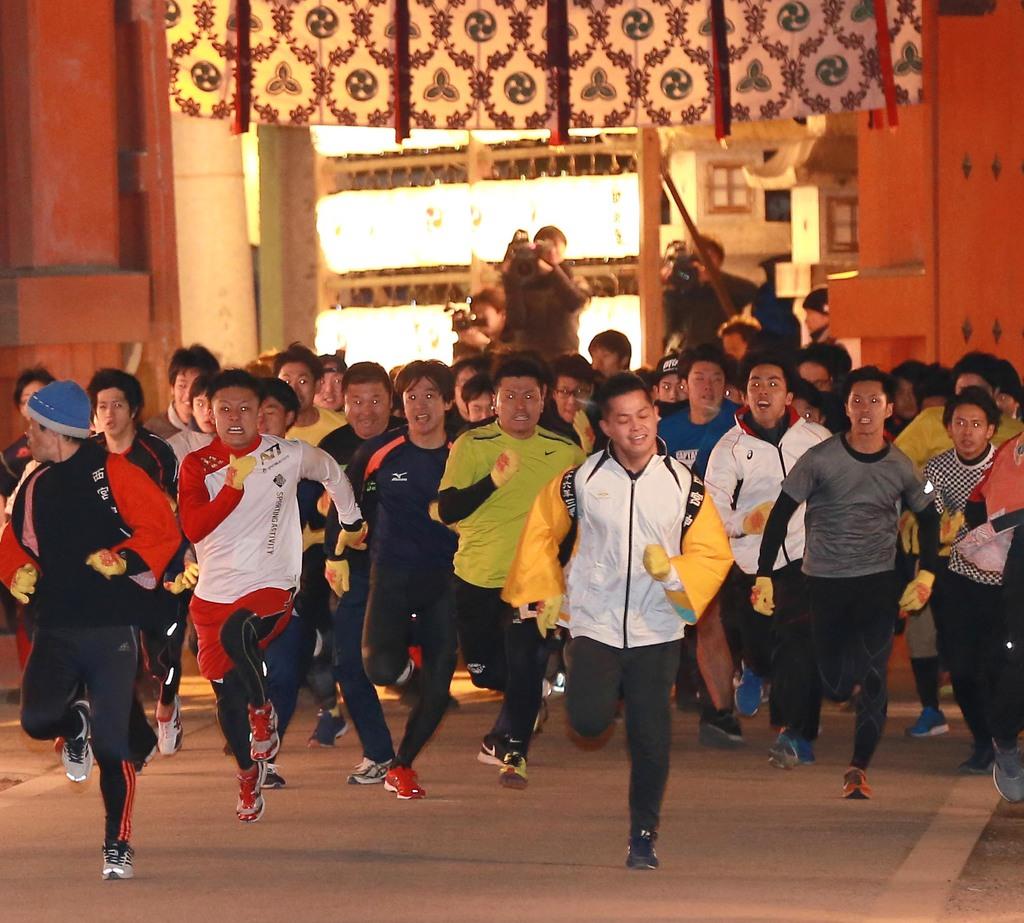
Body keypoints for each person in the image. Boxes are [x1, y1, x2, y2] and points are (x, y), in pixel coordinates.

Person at [504, 372, 732, 868]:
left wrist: (673, 572)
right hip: (595, 622)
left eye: (644, 416)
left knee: (650, 735)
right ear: (606, 426)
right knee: (588, 723)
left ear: (655, 414)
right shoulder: (580, 481)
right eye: (623, 420)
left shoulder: (686, 487)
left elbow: (713, 552)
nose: (637, 429)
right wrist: (544, 591)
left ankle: (643, 833)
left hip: (657, 628)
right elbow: (541, 532)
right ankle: (566, 674)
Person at [0, 380, 180, 879]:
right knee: (37, 721)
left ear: (52, 429)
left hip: (110, 631)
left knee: (113, 744)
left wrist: (123, 562)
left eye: (32, 426)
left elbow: (163, 531)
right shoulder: (35, 482)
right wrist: (17, 570)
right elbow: (15, 541)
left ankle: (117, 841)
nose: (26, 436)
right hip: (55, 627)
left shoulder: (113, 473)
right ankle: (71, 722)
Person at [178, 369, 363, 823]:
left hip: (272, 585)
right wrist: (233, 486)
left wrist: (352, 520)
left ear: (262, 413)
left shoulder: (287, 454)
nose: (235, 418)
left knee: (239, 631)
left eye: (245, 409)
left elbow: (334, 473)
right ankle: (246, 774)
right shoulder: (197, 465)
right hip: (213, 593)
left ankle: (263, 711)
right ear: (210, 414)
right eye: (224, 409)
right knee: (225, 698)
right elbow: (194, 527)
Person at [753, 366, 940, 800]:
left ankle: (857, 768)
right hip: (823, 581)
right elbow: (780, 515)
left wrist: (926, 572)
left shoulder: (900, 465)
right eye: (858, 400)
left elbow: (928, 518)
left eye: (876, 401)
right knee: (837, 682)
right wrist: (764, 574)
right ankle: (836, 693)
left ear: (890, 409)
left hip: (878, 582)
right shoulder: (820, 460)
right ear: (846, 406)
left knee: (874, 676)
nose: (866, 409)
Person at [436, 354, 585, 780]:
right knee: (484, 672)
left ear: (544, 403)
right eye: (511, 396)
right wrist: (492, 482)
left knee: (526, 660)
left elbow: (580, 518)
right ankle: (524, 699)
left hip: (534, 578)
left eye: (530, 397)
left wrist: (562, 567)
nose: (520, 405)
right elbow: (448, 509)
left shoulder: (564, 451)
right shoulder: (471, 445)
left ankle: (513, 749)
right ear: (495, 401)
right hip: (477, 575)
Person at [328, 360, 459, 799]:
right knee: (377, 667)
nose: (420, 405)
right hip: (391, 573)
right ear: (402, 405)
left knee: (440, 689)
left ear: (448, 401)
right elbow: (343, 503)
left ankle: (401, 766)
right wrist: (336, 555)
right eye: (411, 397)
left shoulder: (465, 451)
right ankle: (410, 678)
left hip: (448, 579)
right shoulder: (381, 451)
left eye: (429, 396)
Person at [705, 352, 829, 767]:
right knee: (762, 644)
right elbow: (712, 509)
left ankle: (795, 733)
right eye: (756, 383)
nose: (764, 390)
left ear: (789, 394)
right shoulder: (730, 447)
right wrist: (745, 522)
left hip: (804, 558)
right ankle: (753, 667)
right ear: (743, 393)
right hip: (752, 564)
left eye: (773, 383)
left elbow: (838, 488)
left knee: (800, 644)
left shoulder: (814, 439)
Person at [87, 368, 187, 763]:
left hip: (157, 562)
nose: (109, 413)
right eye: (102, 406)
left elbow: (173, 510)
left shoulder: (156, 452)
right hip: (108, 567)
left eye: (117, 405)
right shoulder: (87, 453)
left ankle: (167, 702)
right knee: (114, 652)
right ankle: (130, 737)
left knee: (162, 651)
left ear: (134, 410)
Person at [318, 362, 403, 780]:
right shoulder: (332, 446)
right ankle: (379, 752)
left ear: (391, 401)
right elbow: (321, 508)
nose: (365, 411)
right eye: (355, 401)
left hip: (410, 569)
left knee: (420, 658)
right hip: (353, 571)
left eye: (375, 401)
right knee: (347, 662)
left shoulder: (411, 441)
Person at [922, 388, 1002, 772]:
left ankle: (1003, 737)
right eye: (959, 423)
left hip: (1005, 582)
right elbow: (922, 511)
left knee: (1000, 663)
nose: (967, 432)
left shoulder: (1008, 465)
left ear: (991, 430)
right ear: (948, 428)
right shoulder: (935, 470)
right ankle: (983, 741)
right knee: (963, 665)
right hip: (956, 579)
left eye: (976, 424)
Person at [895, 352, 1024, 467]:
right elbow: (893, 466)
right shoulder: (931, 420)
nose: (970, 398)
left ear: (995, 392)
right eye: (963, 391)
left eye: (978, 391)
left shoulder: (1017, 433)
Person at [502, 226, 590, 359]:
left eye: (555, 250)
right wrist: (511, 280)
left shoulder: (574, 282)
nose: (551, 255)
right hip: (530, 359)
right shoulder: (523, 281)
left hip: (564, 358)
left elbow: (576, 303)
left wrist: (553, 272)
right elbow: (516, 321)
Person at [662, 236, 758, 350]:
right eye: (700, 256)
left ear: (719, 258)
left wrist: (713, 280)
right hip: (693, 348)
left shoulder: (728, 284)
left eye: (710, 256)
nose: (705, 260)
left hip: (722, 347)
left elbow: (751, 291)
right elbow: (672, 323)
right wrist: (674, 283)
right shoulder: (687, 281)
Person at [658, 344, 738, 478]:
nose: (708, 386)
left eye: (716, 379)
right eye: (699, 379)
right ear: (684, 385)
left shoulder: (741, 424)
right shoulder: (665, 431)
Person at [275, 343, 347, 446]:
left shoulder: (342, 426)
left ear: (317, 385)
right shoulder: (266, 430)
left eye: (302, 381)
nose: (294, 389)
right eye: (286, 381)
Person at [144, 344, 220, 439]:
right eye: (182, 386)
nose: (189, 394)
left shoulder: (223, 428)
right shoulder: (152, 433)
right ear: (172, 388)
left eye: (197, 386)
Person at [544, 353, 596, 451]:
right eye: (564, 392)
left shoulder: (604, 426)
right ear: (554, 394)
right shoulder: (539, 429)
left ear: (591, 390)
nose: (571, 401)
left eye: (580, 391)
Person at [166, 373, 217, 463]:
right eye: (200, 404)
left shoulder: (240, 442)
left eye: (212, 404)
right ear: (192, 408)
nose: (207, 411)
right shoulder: (174, 447)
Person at [453, 287, 509, 359]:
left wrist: (486, 344)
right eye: (476, 313)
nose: (478, 317)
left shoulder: (514, 338)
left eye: (482, 312)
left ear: (502, 314)